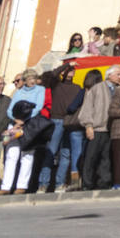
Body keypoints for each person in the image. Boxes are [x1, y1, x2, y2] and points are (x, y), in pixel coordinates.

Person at [39, 64, 83, 192]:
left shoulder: (77, 87)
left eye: (72, 71)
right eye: (68, 71)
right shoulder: (56, 84)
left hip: (70, 122)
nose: (70, 72)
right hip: (56, 120)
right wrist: (67, 65)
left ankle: (60, 183)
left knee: (66, 154)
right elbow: (52, 75)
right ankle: (43, 184)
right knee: (51, 152)